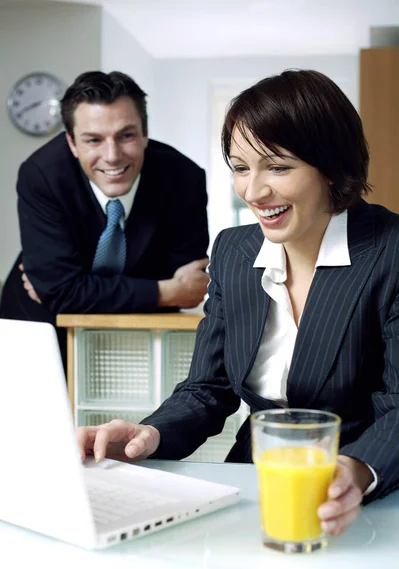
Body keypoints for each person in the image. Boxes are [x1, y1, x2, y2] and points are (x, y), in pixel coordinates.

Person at [77, 69, 399, 537]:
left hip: (366, 490)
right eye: (241, 167)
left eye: (279, 167)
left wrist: (360, 469)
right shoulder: (234, 250)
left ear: (331, 166)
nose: (253, 191)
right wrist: (151, 433)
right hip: (256, 480)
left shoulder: (389, 250)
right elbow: (208, 388)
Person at [0, 71, 210, 364]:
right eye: (93, 140)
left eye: (126, 136)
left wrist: (71, 290)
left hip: (136, 338)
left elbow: (190, 287)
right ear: (72, 143)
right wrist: (165, 291)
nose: (112, 156)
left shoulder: (184, 179)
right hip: (39, 326)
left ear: (145, 134)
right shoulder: (42, 175)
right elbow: (60, 292)